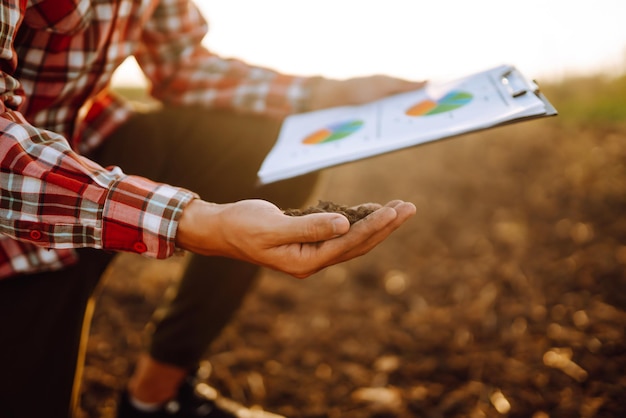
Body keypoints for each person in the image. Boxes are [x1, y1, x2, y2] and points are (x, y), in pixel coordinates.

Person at [0, 1, 421, 417]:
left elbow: (178, 62)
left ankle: (156, 399)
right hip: (13, 209)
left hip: (85, 140)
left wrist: (327, 94)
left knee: (264, 149)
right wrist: (192, 221)